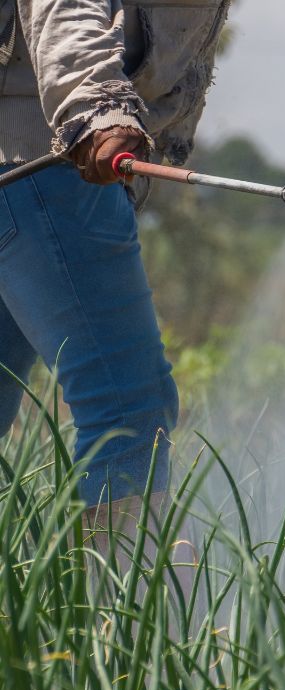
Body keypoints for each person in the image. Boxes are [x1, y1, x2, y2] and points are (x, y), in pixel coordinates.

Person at [0, 0, 230, 510]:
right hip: (46, 163)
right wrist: (96, 112)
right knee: (126, 409)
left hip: (23, 167)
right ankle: (126, 587)